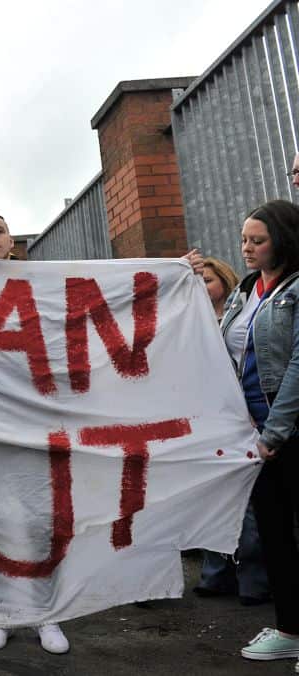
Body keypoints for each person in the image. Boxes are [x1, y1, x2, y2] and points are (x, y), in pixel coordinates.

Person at [0, 212, 71, 655]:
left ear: (12, 242)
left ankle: (46, 613)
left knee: (41, 523)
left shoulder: (42, 286)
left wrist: (177, 272)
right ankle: (0, 612)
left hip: (32, 428)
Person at [218, 200, 299, 664]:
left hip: (285, 433)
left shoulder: (296, 289)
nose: (246, 248)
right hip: (254, 437)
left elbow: (298, 367)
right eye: (244, 239)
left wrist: (275, 432)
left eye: (257, 240)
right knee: (275, 536)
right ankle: (290, 628)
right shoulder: (245, 290)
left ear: (282, 241)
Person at [194, 256, 268, 605]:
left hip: (244, 417)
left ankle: (253, 580)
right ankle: (215, 575)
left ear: (225, 281)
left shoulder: (240, 319)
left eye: (208, 280)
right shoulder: (190, 321)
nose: (203, 287)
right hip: (210, 420)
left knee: (249, 499)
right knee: (212, 498)